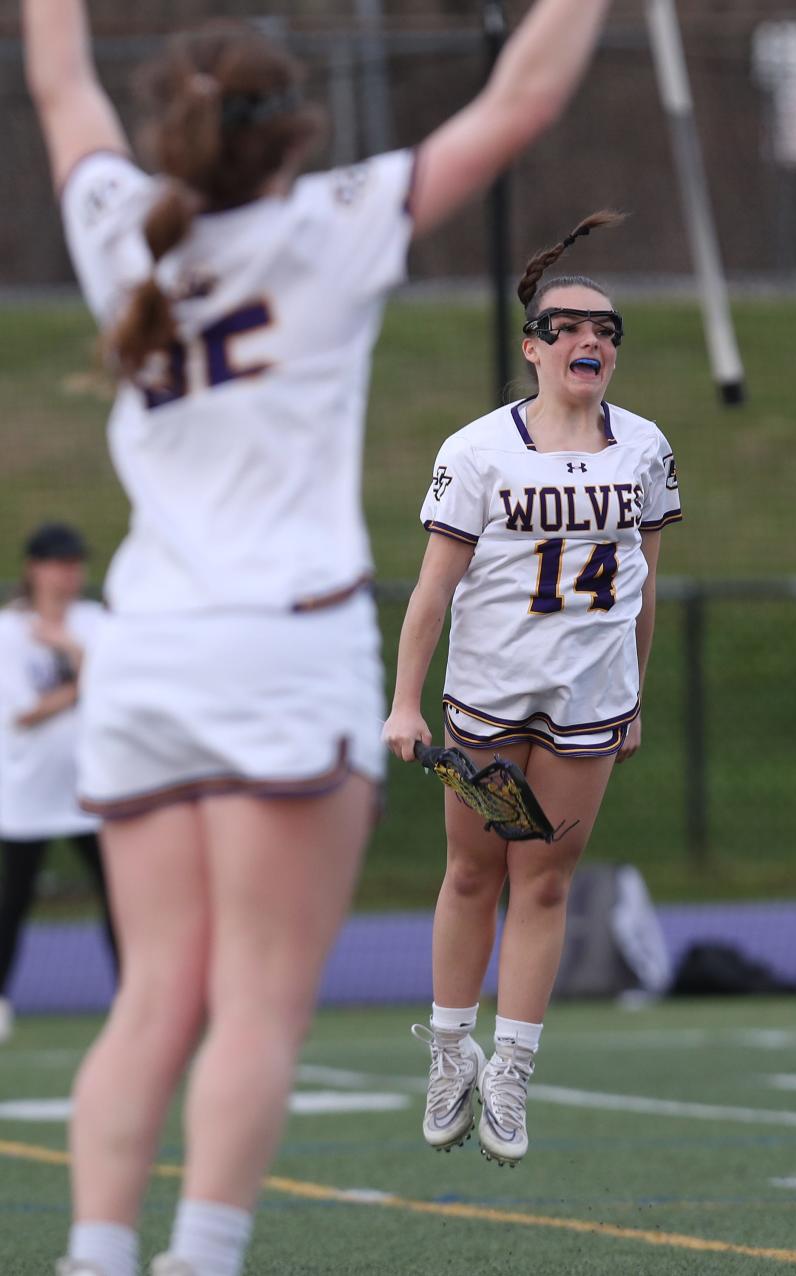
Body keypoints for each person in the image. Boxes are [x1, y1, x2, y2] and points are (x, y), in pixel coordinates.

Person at [22, 1, 614, 1273]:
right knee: (255, 1003)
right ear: (290, 132)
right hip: (281, 654)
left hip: (148, 651)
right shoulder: (330, 225)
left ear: (173, 128)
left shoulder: (119, 220)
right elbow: (520, 102)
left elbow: (60, 75)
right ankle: (201, 1255)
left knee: (151, 999)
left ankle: (97, 1253)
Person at [383, 211, 683, 1167]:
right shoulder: (478, 450)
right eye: (569, 326)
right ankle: (448, 1050)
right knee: (473, 871)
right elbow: (432, 591)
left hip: (589, 702)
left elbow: (644, 581)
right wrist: (403, 702)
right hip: (489, 697)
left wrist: (634, 690)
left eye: (606, 330)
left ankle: (511, 1071)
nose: (590, 339)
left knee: (543, 884)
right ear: (532, 346)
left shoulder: (645, 448)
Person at [0, 522, 116, 1044]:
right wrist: (88, 674)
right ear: (34, 568)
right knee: (12, 900)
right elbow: (24, 712)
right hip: (26, 793)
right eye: (58, 562)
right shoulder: (8, 630)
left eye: (75, 563)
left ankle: (134, 997)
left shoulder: (94, 622)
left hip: (92, 790)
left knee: (120, 894)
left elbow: (120, 687)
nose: (69, 573)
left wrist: (76, 653)